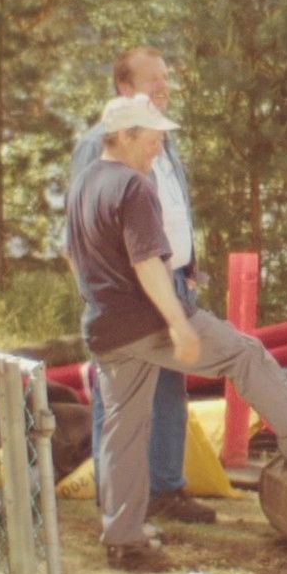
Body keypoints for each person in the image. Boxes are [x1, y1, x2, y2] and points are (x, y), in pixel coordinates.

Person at [65, 94, 287, 572]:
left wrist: (100, 300)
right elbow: (147, 263)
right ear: (125, 136)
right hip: (149, 322)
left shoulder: (84, 183)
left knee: (124, 433)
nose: (159, 147)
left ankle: (124, 540)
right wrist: (177, 324)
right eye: (152, 139)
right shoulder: (133, 187)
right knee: (245, 354)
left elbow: (72, 255)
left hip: (107, 328)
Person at [70, 47, 215, 525]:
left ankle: (166, 489)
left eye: (167, 79)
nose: (164, 87)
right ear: (125, 89)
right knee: (120, 397)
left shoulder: (163, 140)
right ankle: (115, 495)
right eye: (154, 80)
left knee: (172, 384)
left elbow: (173, 208)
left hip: (173, 276)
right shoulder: (100, 144)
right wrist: (102, 291)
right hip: (130, 285)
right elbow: (83, 228)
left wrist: (189, 264)